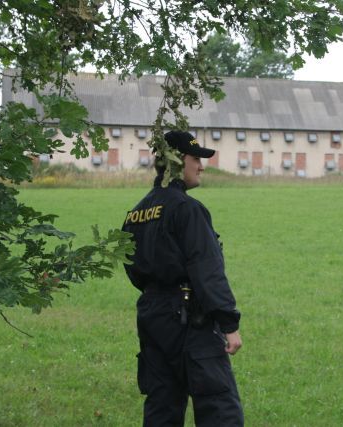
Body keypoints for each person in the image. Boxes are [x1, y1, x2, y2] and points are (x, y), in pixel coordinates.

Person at [122, 130, 244, 426]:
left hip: (152, 317)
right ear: (177, 161)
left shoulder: (136, 213)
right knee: (219, 408)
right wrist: (228, 323)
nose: (201, 166)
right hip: (190, 320)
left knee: (162, 406)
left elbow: (133, 269)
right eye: (195, 158)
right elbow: (206, 268)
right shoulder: (188, 209)